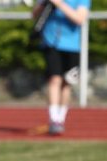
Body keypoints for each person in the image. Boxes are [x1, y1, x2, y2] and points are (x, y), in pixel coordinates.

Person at [33, 0, 90, 135]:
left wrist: (59, 4)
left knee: (67, 82)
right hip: (51, 42)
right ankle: (54, 119)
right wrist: (43, 4)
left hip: (72, 45)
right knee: (54, 79)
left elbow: (79, 18)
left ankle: (61, 118)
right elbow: (34, 15)